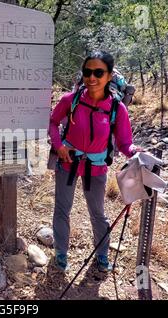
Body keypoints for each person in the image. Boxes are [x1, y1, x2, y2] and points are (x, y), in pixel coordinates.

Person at [48, 50, 143, 272]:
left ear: (109, 76)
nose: (91, 77)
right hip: (68, 162)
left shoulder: (116, 108)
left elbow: (124, 143)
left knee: (98, 213)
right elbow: (53, 122)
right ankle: (61, 253)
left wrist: (134, 151)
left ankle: (101, 254)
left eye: (98, 72)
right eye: (87, 72)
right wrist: (59, 146)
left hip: (97, 166)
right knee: (62, 208)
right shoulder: (70, 101)